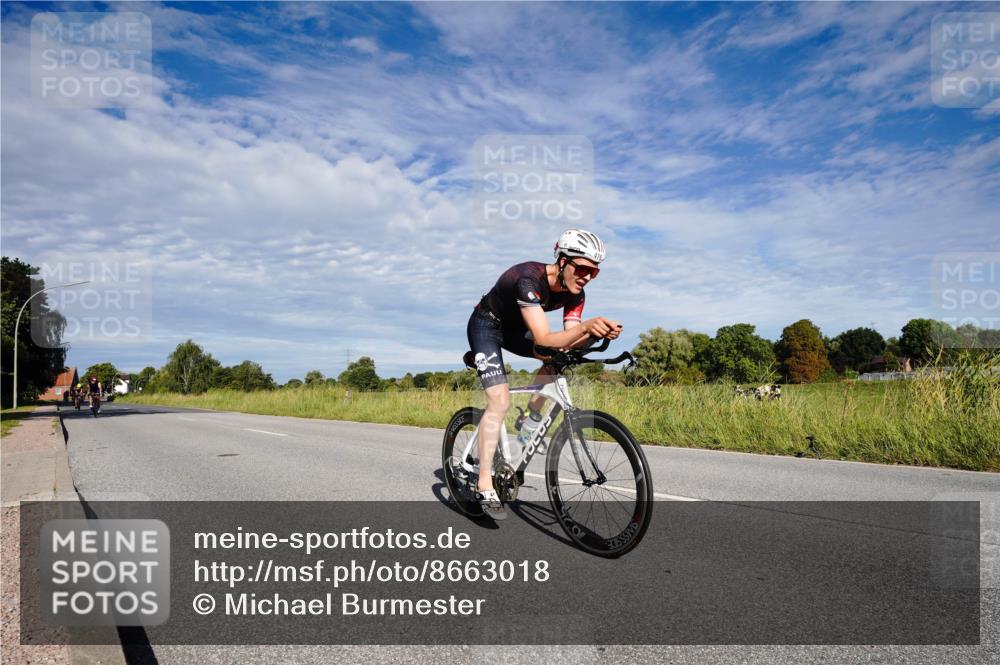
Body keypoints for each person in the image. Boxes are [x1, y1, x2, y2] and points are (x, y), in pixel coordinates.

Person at [466, 229, 622, 520]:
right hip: (486, 325)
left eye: (595, 272)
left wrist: (595, 335)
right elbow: (542, 338)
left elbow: (566, 339)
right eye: (583, 268)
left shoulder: (576, 294)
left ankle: (529, 419)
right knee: (499, 402)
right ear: (562, 262)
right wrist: (587, 327)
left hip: (514, 331)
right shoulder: (529, 279)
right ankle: (483, 482)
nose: (588, 277)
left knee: (556, 360)